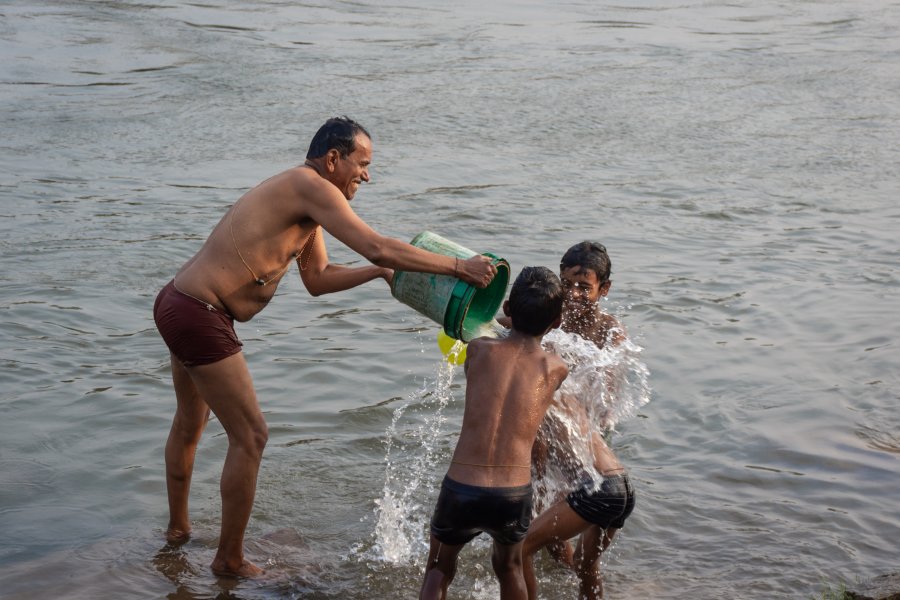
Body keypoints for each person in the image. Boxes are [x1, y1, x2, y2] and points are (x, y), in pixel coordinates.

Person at [153, 116, 498, 577]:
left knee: (189, 425)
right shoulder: (310, 185)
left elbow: (317, 279)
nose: (367, 175)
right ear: (332, 158)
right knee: (251, 436)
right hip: (200, 313)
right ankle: (229, 559)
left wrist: (377, 276)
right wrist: (459, 266)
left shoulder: (307, 203)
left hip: (179, 302)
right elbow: (376, 245)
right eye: (362, 163)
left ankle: (178, 532)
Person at [418, 267, 569, 600]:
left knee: (439, 569)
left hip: (462, 488)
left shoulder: (479, 351)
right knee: (510, 569)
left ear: (508, 310)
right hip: (512, 494)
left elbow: (486, 334)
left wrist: (500, 316)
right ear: (556, 322)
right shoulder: (555, 367)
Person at [521, 241, 636, 600]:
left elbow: (607, 399)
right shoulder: (549, 321)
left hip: (587, 458)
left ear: (604, 289)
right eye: (567, 283)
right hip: (575, 460)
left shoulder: (610, 332)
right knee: (575, 559)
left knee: (528, 542)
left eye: (584, 287)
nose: (573, 294)